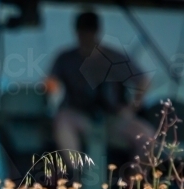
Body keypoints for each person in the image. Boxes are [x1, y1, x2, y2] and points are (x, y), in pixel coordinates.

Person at [45, 11, 154, 178]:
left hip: (115, 119)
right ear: (76, 32)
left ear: (97, 31)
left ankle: (134, 188)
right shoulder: (65, 59)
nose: (86, 36)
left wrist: (132, 108)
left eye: (90, 31)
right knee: (62, 121)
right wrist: (50, 90)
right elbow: (50, 84)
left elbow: (143, 81)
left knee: (146, 136)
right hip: (79, 116)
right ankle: (77, 178)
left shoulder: (115, 58)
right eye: (83, 31)